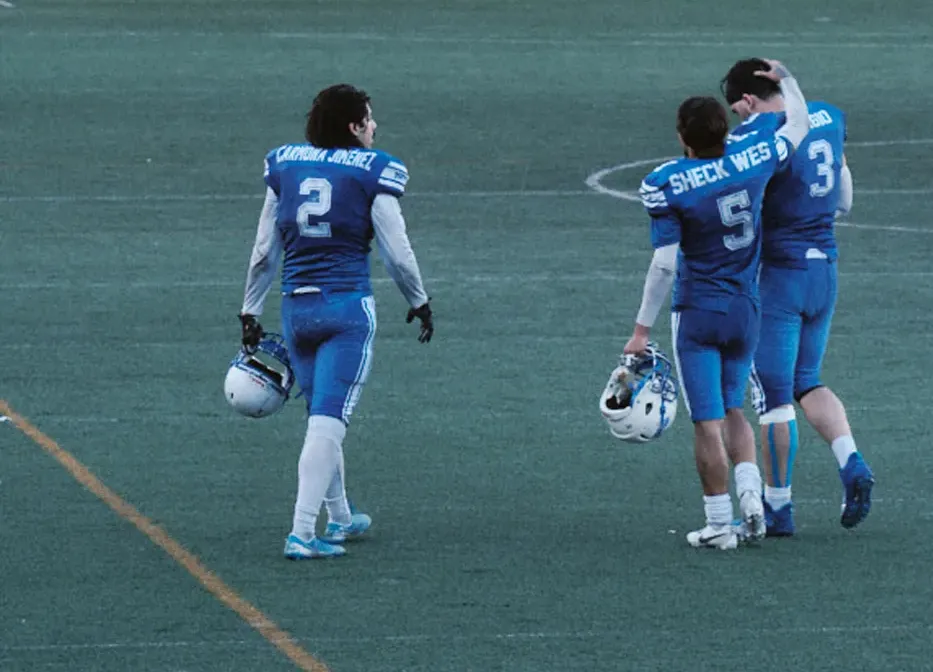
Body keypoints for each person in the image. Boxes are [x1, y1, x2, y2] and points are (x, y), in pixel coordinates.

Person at [237, 83, 434, 559]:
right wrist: (419, 299)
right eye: (368, 117)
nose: (374, 125)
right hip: (346, 309)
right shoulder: (374, 169)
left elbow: (266, 250)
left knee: (322, 415)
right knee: (328, 423)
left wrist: (250, 309)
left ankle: (341, 517)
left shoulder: (286, 163)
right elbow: (397, 251)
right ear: (353, 126)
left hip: (296, 308)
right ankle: (302, 532)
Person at [624, 60, 810, 549]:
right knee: (734, 408)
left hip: (700, 310)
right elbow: (799, 123)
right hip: (746, 307)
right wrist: (786, 78)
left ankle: (719, 524)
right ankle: (753, 497)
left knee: (706, 418)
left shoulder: (668, 180)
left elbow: (665, 264)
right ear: (725, 129)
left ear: (684, 138)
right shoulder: (755, 155)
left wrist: (641, 330)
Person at [720, 58, 874, 536]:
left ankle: (779, 507)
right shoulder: (828, 114)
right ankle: (851, 461)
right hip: (824, 267)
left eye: (738, 110)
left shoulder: (756, 136)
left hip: (779, 275)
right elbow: (844, 194)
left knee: (774, 398)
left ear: (748, 100)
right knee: (808, 380)